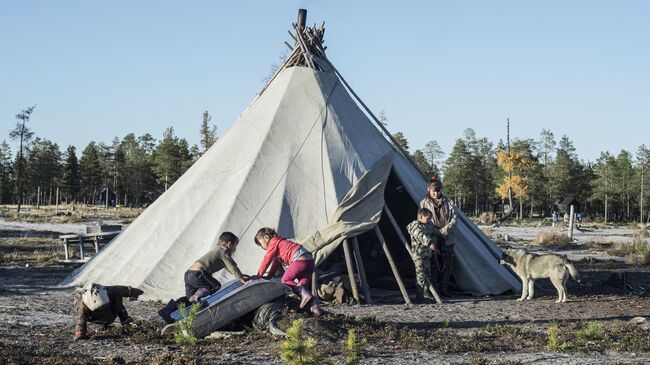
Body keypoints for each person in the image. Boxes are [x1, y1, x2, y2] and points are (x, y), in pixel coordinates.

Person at [158, 232, 249, 323]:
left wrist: (240, 275)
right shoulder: (223, 251)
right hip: (198, 274)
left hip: (189, 274)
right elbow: (232, 266)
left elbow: (228, 267)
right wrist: (241, 278)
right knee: (215, 285)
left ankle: (167, 310)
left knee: (189, 300)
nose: (235, 249)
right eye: (235, 246)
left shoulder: (216, 252)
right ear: (229, 245)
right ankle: (195, 298)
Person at [255, 227, 321, 315]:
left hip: (299, 260)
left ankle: (307, 298)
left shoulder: (273, 242)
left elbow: (267, 259)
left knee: (285, 280)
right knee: (303, 288)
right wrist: (269, 276)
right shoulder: (281, 243)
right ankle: (315, 308)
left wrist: (259, 274)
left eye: (260, 243)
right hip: (310, 262)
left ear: (266, 237)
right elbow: (276, 263)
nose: (261, 247)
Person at [420, 176, 457, 296]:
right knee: (433, 264)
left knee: (447, 264)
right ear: (428, 190)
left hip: (447, 238)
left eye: (438, 191)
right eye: (433, 191)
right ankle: (435, 289)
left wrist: (444, 230)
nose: (436, 193)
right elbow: (422, 220)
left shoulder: (448, 202)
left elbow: (454, 219)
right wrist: (435, 231)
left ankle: (444, 289)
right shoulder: (423, 203)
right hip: (433, 237)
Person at [74, 283, 143, 340]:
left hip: (110, 313)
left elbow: (128, 290)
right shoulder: (82, 305)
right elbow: (81, 319)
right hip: (95, 318)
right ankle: (123, 321)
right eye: (99, 307)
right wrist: (80, 333)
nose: (101, 307)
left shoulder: (110, 291)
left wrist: (137, 293)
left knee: (116, 297)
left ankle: (125, 319)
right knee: (83, 315)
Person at [407, 208, 440, 302]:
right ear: (421, 216)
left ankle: (426, 294)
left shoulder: (424, 225)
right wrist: (430, 244)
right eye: (428, 218)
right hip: (419, 255)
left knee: (427, 274)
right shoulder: (415, 226)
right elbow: (421, 236)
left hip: (425, 254)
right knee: (420, 275)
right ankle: (419, 297)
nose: (429, 220)